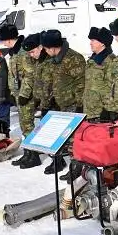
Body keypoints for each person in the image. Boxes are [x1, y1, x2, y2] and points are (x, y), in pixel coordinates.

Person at [40, 29, 85, 175]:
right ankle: (58, 161)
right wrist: (47, 104)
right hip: (59, 104)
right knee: (59, 137)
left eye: (46, 49)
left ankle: (76, 168)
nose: (45, 52)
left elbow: (81, 83)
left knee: (73, 139)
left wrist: (79, 105)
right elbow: (52, 82)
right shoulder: (54, 59)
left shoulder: (74, 59)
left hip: (72, 105)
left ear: (53, 47)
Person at [14, 33, 49, 169]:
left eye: (33, 51)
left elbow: (30, 76)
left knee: (41, 128)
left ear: (40, 47)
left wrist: (24, 94)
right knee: (25, 125)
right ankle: (29, 153)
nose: (31, 55)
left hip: (43, 98)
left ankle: (53, 159)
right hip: (36, 95)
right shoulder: (35, 58)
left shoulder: (47, 60)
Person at [83, 26, 115, 121]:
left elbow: (112, 88)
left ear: (102, 43)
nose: (90, 43)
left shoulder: (111, 61)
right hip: (90, 112)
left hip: (101, 113)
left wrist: (107, 110)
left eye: (93, 40)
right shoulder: (92, 61)